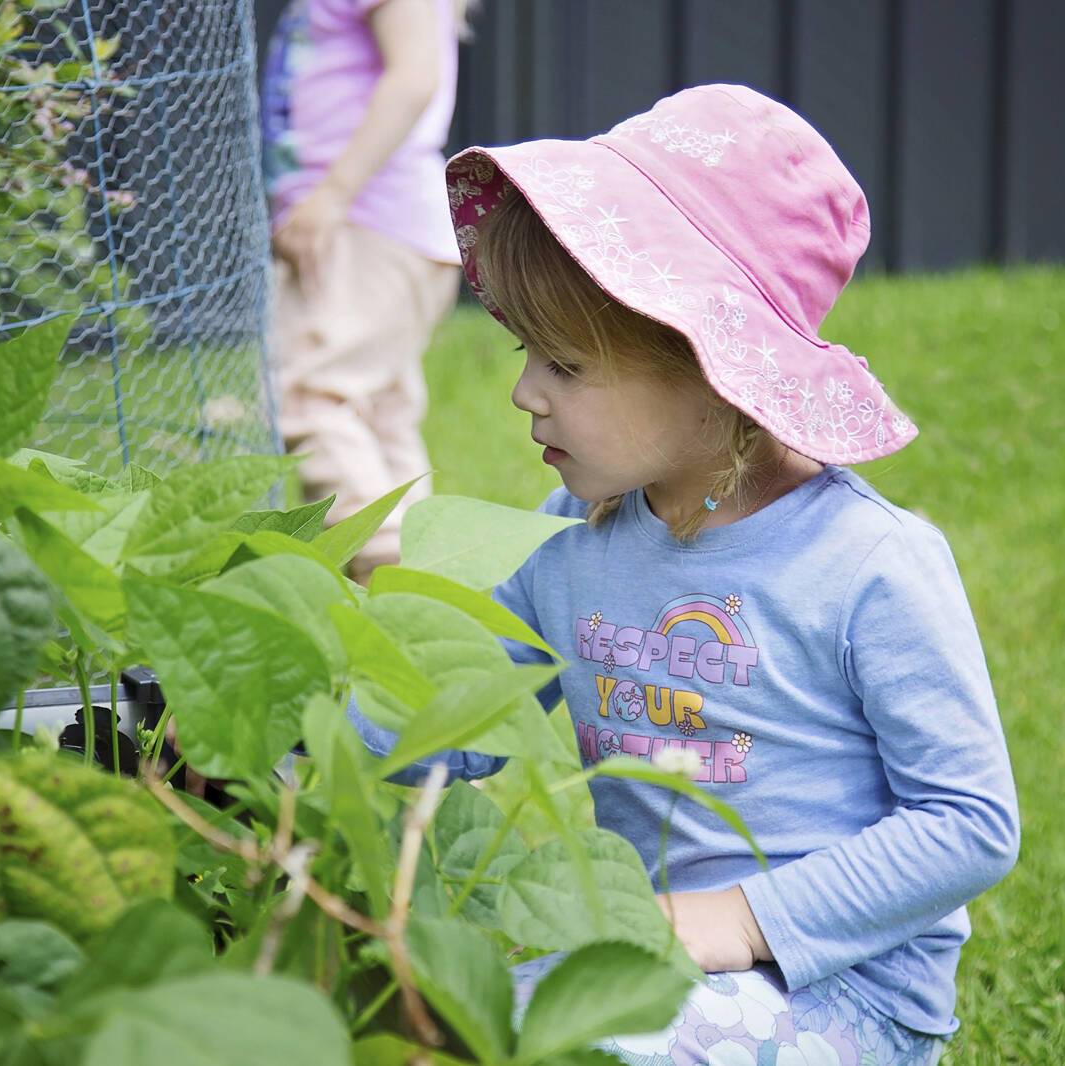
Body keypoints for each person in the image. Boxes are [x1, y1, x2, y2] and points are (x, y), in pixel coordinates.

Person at [350, 84, 1021, 1065]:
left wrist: (739, 919)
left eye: (566, 366)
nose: (522, 391)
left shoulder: (867, 566)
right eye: (526, 353)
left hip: (837, 992)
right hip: (647, 963)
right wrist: (273, 741)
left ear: (714, 366)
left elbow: (969, 824)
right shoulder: (568, 543)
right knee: (440, 1022)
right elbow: (448, 714)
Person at [260, 0, 469, 582]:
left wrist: (332, 195)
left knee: (312, 396)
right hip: (388, 228)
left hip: (365, 226)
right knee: (379, 412)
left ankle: (383, 564)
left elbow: (414, 78)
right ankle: (431, 576)